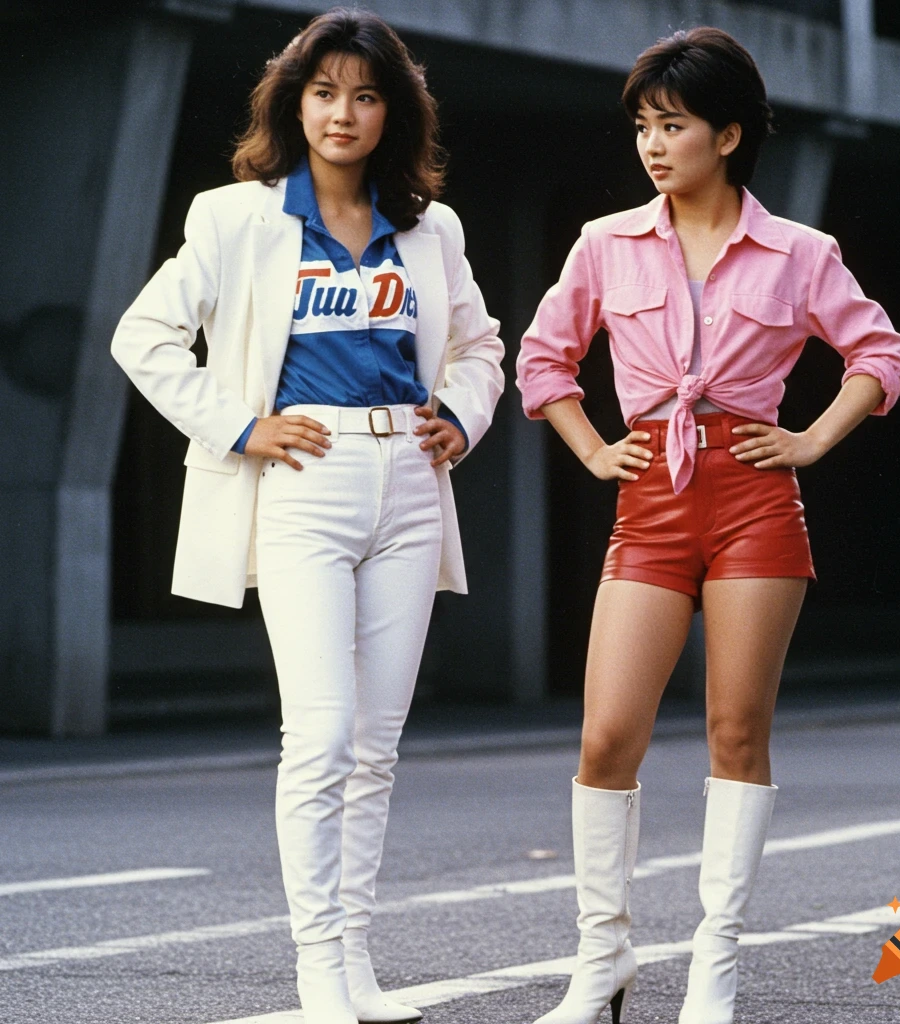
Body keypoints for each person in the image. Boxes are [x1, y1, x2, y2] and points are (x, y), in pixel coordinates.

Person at [111, 9, 504, 1024]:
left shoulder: (431, 227)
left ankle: (357, 962)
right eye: (324, 91)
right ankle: (315, 969)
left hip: (410, 486)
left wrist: (460, 415)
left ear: (392, 113)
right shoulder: (236, 217)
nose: (344, 112)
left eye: (366, 95)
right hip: (305, 483)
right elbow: (144, 337)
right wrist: (241, 424)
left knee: (376, 743)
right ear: (294, 102)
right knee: (321, 733)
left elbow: (480, 346)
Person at [516, 26, 900, 1024]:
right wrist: (597, 451)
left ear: (727, 134)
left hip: (752, 503)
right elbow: (543, 361)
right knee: (608, 735)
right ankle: (601, 961)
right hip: (648, 503)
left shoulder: (798, 252)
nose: (653, 145)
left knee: (737, 728)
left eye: (675, 124)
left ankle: (715, 965)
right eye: (644, 126)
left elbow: (880, 355)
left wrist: (812, 437)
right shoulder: (605, 242)